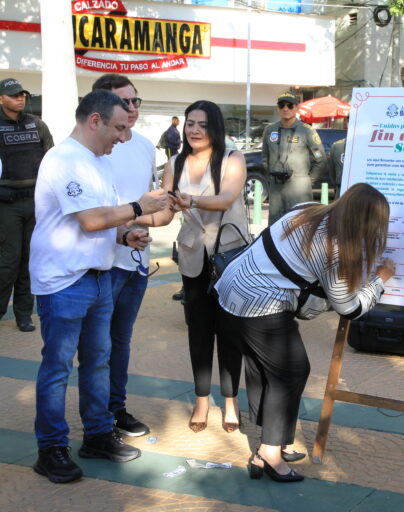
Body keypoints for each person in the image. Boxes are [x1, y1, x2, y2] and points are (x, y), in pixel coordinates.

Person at [30, 90, 168, 484]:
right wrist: (141, 207)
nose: (123, 138)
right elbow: (91, 220)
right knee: (57, 367)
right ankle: (51, 448)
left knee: (98, 362)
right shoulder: (64, 160)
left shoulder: (96, 161)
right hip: (63, 281)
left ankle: (96, 435)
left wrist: (126, 235)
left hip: (97, 275)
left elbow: (102, 221)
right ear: (95, 121)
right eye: (119, 128)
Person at [215, 183, 396, 482]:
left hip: (231, 289)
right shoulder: (334, 250)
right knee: (290, 372)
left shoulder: (305, 212)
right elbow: (349, 308)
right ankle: (269, 454)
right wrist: (379, 279)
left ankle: (272, 444)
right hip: (261, 304)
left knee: (265, 371)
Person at [155, 100, 248, 434]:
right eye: (190, 124)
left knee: (230, 332)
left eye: (202, 124)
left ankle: (232, 401)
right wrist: (136, 219)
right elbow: (165, 211)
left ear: (215, 128)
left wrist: (190, 199)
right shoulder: (174, 164)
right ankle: (201, 400)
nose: (194, 130)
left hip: (230, 257)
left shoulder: (232, 159)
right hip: (193, 255)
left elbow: (225, 198)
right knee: (198, 331)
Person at [91, 74, 159, 438]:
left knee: (122, 341)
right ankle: (98, 421)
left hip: (138, 262)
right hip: (102, 264)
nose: (132, 109)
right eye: (124, 102)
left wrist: (155, 214)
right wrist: (126, 226)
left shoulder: (146, 145)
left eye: (136, 101)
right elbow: (93, 211)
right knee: (96, 347)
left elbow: (147, 203)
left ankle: (116, 409)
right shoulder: (93, 148)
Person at [0, 77, 54, 332]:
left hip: (35, 203)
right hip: (6, 205)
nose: (20, 98)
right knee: (9, 260)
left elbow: (51, 161)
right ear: (1, 99)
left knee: (29, 261)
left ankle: (24, 314)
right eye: (13, 95)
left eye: (22, 94)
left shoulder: (38, 125)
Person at [262, 92, 326, 224]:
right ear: (277, 108)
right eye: (282, 105)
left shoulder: (306, 131)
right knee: (275, 225)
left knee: (299, 225)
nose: (285, 109)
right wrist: (271, 175)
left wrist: (307, 180)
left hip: (299, 188)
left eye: (290, 105)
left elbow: (320, 160)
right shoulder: (270, 130)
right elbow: (265, 157)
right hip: (276, 188)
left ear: (296, 108)